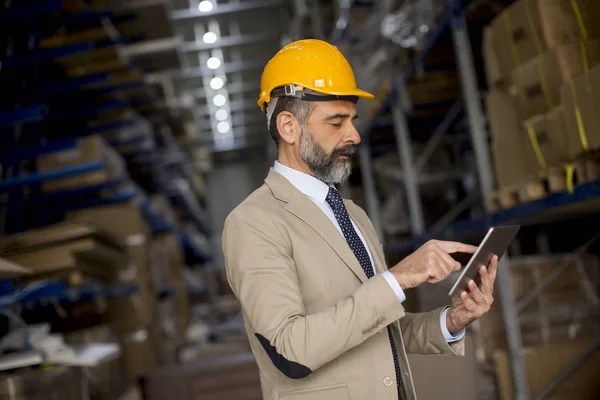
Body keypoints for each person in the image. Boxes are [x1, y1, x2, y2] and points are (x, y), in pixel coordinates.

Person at [222, 39, 498, 400]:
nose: (354, 135)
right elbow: (290, 350)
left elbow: (379, 329)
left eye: (352, 120)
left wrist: (451, 321)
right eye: (336, 122)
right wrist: (397, 279)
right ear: (288, 127)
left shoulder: (352, 215)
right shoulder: (254, 222)